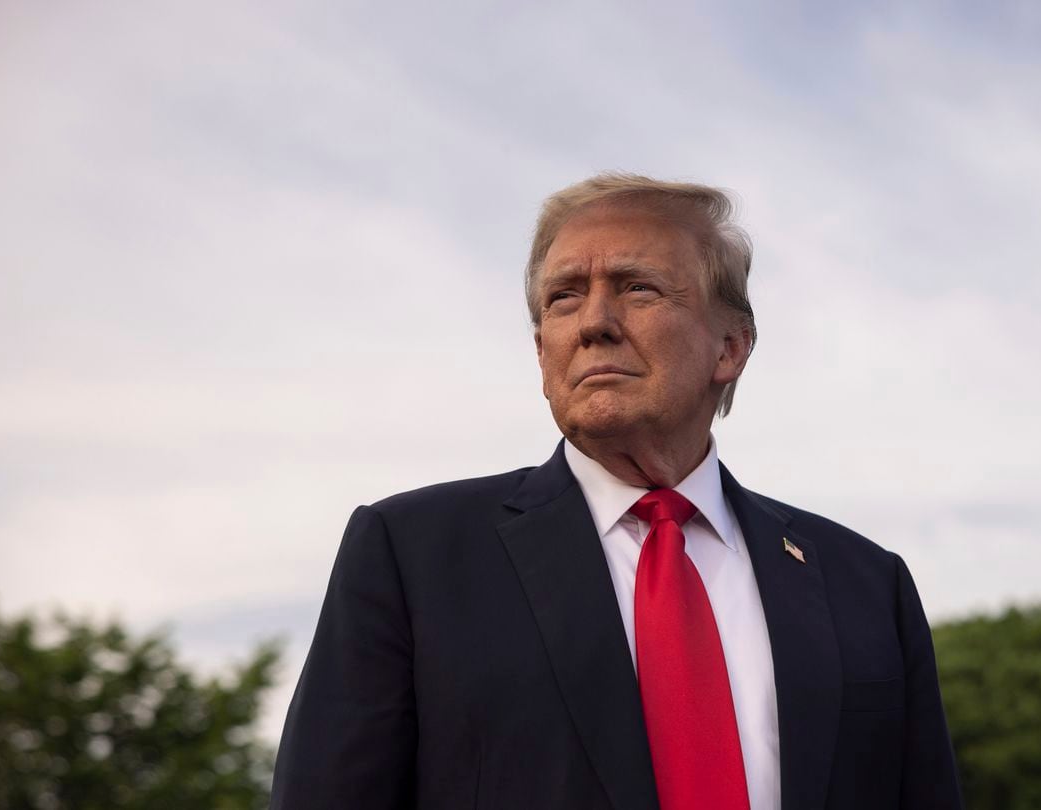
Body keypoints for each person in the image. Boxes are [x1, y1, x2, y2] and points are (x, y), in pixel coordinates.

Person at [269, 174, 963, 809]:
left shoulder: (868, 587)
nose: (594, 322)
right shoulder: (411, 555)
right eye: (564, 297)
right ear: (543, 352)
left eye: (638, 288)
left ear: (730, 347)